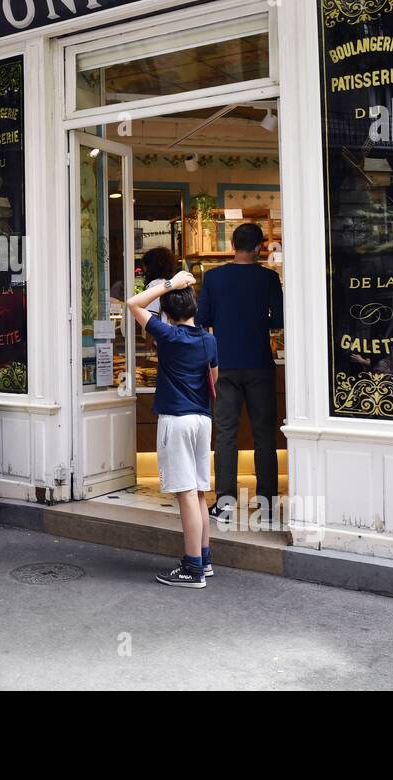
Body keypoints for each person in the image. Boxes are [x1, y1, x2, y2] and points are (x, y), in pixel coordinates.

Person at [128, 270, 218, 588]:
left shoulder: (168, 336)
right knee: (200, 492)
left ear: (167, 313)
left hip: (176, 420)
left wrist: (168, 285)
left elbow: (133, 303)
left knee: (186, 494)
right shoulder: (209, 339)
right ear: (193, 307)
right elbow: (214, 378)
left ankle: (192, 568)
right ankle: (203, 559)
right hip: (202, 419)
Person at [196, 222, 283, 523]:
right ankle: (268, 504)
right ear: (259, 247)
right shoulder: (268, 279)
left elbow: (201, 319)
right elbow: (279, 320)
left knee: (226, 435)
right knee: (264, 435)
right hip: (259, 362)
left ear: (232, 245)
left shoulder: (214, 277)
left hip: (225, 363)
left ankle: (225, 503)